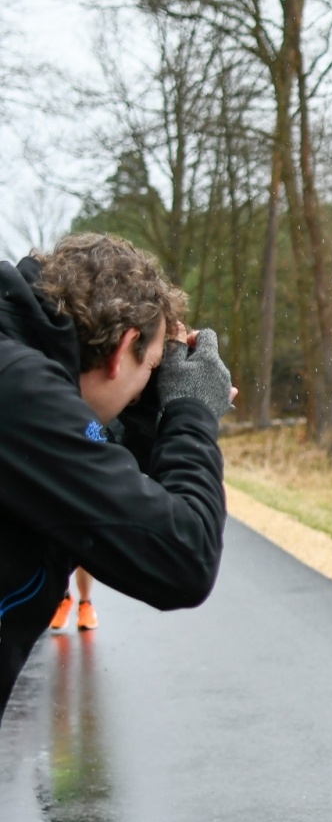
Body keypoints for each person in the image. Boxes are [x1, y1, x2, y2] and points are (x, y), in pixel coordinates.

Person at [0, 232, 230, 723]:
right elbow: (182, 559)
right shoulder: (17, 392)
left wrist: (152, 411)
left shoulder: (22, 368)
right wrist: (190, 411)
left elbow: (108, 487)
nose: (150, 380)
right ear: (123, 346)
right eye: (149, 368)